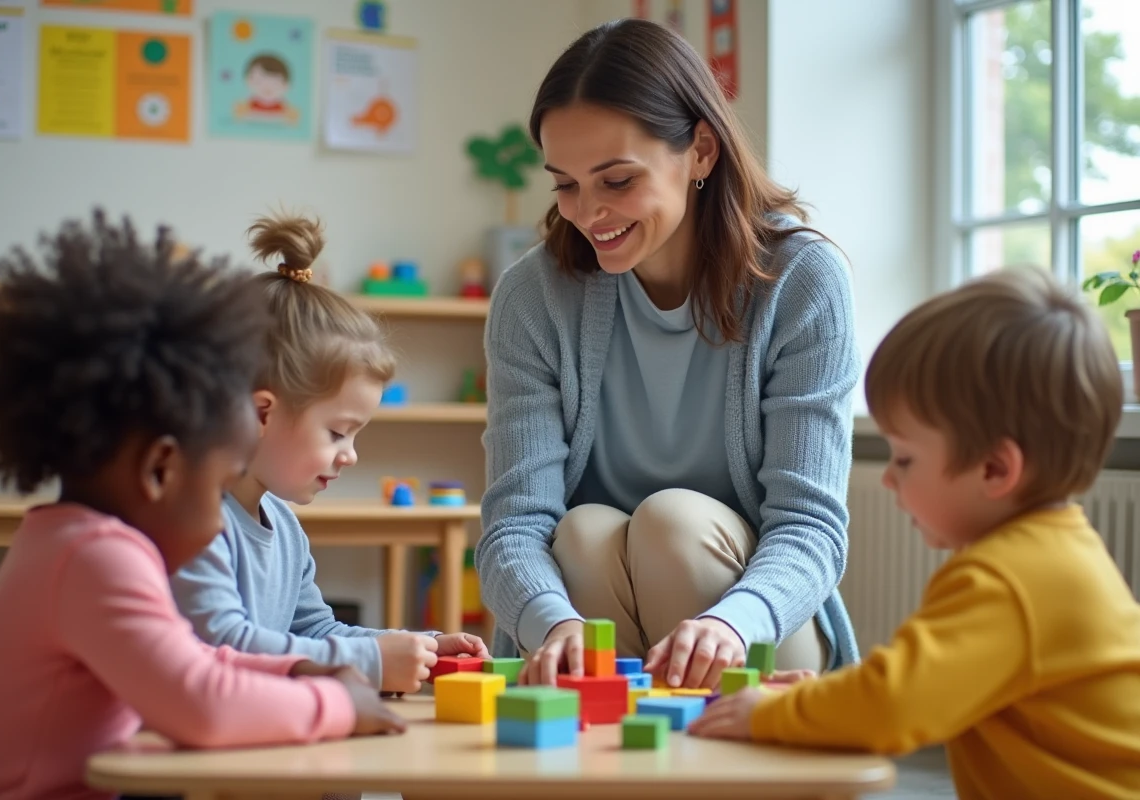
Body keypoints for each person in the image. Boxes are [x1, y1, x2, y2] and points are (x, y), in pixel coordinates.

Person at [0, 211, 404, 800]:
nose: (219, 517)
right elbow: (203, 704)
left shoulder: (75, 543)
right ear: (161, 469)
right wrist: (336, 701)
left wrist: (304, 668)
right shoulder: (94, 560)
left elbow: (200, 667)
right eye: (217, 481)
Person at [476, 18, 860, 689]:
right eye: (565, 184)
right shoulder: (532, 297)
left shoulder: (803, 281)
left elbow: (810, 525)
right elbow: (515, 524)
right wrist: (552, 623)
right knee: (583, 534)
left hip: (755, 629)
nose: (588, 212)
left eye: (616, 181)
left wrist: (733, 622)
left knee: (671, 525)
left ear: (702, 151)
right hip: (595, 603)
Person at [689, 269, 1140, 800]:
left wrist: (774, 714)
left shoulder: (1005, 580)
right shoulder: (1053, 552)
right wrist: (824, 699)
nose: (887, 476)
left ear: (996, 470)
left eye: (904, 458)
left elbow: (892, 707)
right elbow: (920, 688)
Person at [172, 213, 488, 694]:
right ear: (262, 414)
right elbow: (223, 645)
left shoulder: (284, 526)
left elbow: (317, 634)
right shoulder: (194, 521)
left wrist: (419, 645)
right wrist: (372, 661)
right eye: (339, 433)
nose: (350, 455)